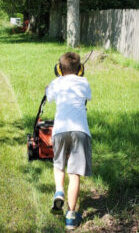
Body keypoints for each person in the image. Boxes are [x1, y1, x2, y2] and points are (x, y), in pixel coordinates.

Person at [45, 52, 92, 230]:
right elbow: (87, 97)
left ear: (59, 69)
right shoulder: (84, 82)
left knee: (59, 165)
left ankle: (59, 191)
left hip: (59, 130)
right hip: (80, 131)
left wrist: (48, 88)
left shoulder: (56, 83)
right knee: (75, 173)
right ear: (80, 69)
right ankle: (71, 216)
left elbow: (49, 97)